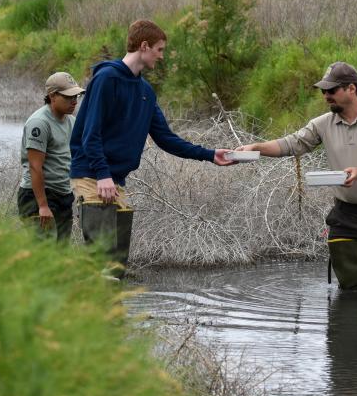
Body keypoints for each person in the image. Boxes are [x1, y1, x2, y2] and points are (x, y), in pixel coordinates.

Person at [70, 19, 234, 278]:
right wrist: (102, 174)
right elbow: (91, 134)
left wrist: (211, 155)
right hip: (92, 176)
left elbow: (166, 138)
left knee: (117, 267)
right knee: (103, 264)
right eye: (159, 49)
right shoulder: (106, 79)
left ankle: (112, 317)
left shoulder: (145, 91)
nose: (162, 56)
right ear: (144, 46)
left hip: (115, 181)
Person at [237, 62, 357, 291]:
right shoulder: (322, 124)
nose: (326, 96)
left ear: (351, 89)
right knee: (351, 286)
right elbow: (290, 144)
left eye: (332, 90)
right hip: (344, 216)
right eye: (323, 91)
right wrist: (255, 148)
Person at [18, 72, 84, 242]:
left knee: (60, 254)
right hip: (38, 197)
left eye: (76, 96)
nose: (74, 101)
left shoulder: (72, 121)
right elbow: (35, 167)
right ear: (52, 96)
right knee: (43, 255)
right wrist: (42, 206)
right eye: (69, 97)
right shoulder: (40, 123)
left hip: (63, 195)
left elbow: (77, 157)